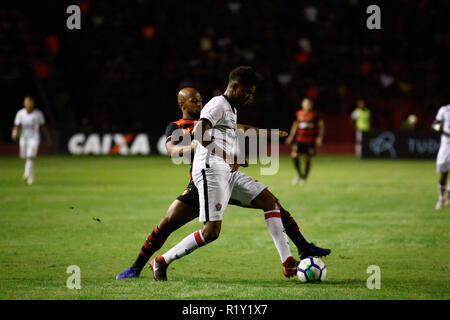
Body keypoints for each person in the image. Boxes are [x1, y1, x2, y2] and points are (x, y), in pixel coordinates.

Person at [116, 87, 331, 279]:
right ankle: (137, 267)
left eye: (200, 100)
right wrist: (195, 147)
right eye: (194, 101)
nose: (199, 103)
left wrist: (266, 135)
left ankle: (301, 248)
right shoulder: (177, 126)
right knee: (167, 225)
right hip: (200, 185)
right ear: (182, 104)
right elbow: (172, 150)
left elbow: (240, 128)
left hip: (224, 177)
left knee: (271, 203)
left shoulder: (213, 119)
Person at [11, 95, 51, 185]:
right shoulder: (20, 113)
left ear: (33, 104)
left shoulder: (38, 114)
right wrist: (14, 133)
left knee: (30, 157)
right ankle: (31, 176)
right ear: (24, 103)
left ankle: (26, 175)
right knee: (26, 157)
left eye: (30, 102)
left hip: (34, 138)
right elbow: (17, 126)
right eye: (27, 102)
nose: (28, 104)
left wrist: (47, 137)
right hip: (24, 138)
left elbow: (43, 126)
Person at [286, 98, 324, 185]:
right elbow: (295, 125)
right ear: (302, 105)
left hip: (310, 140)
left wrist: (320, 137)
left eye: (309, 104)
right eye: (305, 104)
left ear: (311, 105)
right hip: (299, 139)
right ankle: (300, 174)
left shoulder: (315, 115)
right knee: (294, 156)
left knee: (307, 159)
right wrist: (291, 137)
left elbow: (321, 126)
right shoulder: (298, 113)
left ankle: (304, 177)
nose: (307, 105)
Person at [432, 104, 450, 209]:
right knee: (444, 172)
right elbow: (436, 125)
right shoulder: (444, 109)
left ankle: (448, 195)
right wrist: (438, 128)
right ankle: (441, 197)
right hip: (446, 143)